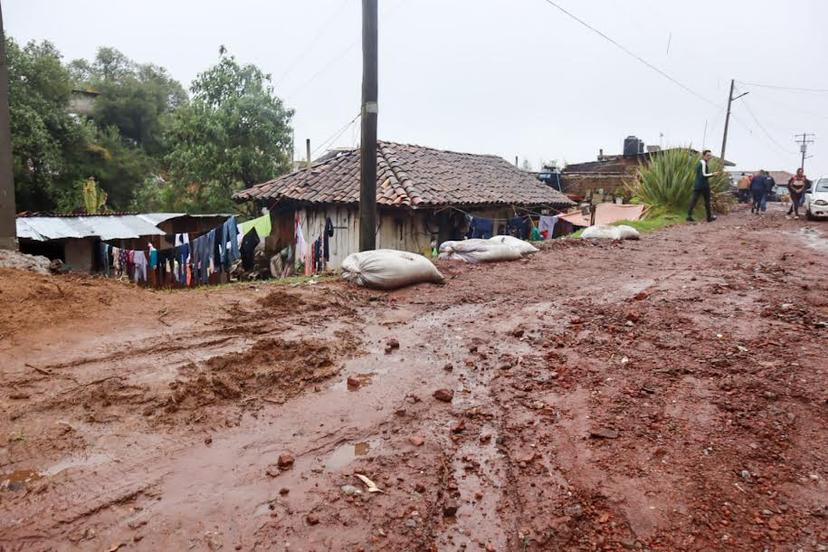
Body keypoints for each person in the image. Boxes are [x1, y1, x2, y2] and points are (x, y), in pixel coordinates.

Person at [687, 150, 719, 222]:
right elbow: (704, 174)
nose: (709, 157)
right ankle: (709, 218)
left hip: (697, 185)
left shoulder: (699, 163)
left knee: (693, 200)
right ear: (703, 156)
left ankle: (689, 216)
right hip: (704, 185)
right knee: (707, 201)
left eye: (710, 155)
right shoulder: (703, 163)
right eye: (708, 155)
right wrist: (713, 174)